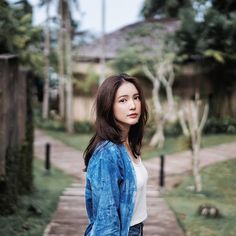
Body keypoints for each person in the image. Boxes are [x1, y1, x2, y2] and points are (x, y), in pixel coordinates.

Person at [84, 74, 149, 236]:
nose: (133, 105)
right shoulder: (107, 154)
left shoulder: (128, 144)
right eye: (123, 100)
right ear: (108, 107)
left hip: (135, 229)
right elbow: (106, 220)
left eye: (136, 98)